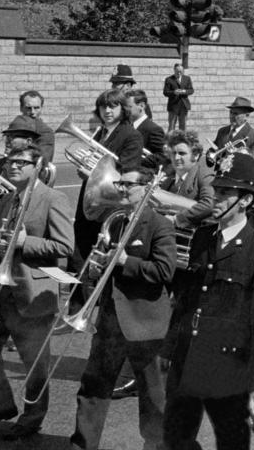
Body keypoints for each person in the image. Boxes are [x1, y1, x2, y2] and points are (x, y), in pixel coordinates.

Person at [162, 153, 254, 450]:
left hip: (230, 367)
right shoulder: (202, 237)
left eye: (225, 193)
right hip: (188, 357)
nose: (216, 198)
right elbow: (186, 299)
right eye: (216, 191)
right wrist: (170, 349)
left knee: (231, 443)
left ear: (245, 200)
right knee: (176, 440)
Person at [0, 145, 72, 439]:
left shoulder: (54, 198)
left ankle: (31, 420)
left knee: (34, 365)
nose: (12, 166)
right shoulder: (10, 197)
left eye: (21, 162)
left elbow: (65, 247)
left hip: (32, 291)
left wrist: (24, 243)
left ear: (38, 166)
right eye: (10, 161)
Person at [70, 170, 176, 450]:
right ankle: (82, 445)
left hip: (145, 322)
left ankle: (157, 445)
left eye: (129, 184)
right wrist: (97, 267)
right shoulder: (114, 222)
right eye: (120, 183)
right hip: (110, 320)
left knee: (153, 395)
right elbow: (107, 267)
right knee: (93, 386)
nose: (122, 189)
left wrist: (126, 261)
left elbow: (164, 271)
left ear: (146, 188)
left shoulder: (160, 224)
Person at [76, 90, 145, 260]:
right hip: (89, 200)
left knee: (97, 255)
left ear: (123, 109)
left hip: (108, 205)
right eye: (103, 106)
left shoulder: (131, 135)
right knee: (80, 251)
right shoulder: (101, 133)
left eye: (113, 106)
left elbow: (127, 173)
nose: (107, 111)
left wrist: (93, 175)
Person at [162, 130, 216, 231]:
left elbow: (210, 203)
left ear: (195, 155)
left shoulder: (203, 171)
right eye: (173, 153)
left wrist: (177, 219)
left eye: (182, 153)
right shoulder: (167, 179)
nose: (176, 157)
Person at [126, 88, 167, 172]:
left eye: (129, 107)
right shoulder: (129, 126)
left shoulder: (154, 129)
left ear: (141, 106)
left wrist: (133, 160)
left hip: (142, 175)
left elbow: (162, 156)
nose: (126, 110)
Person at [16, 90, 56, 161]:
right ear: (21, 108)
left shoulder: (46, 132)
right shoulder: (16, 127)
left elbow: (41, 160)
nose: (32, 112)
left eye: (36, 108)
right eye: (28, 108)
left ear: (41, 108)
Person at [163, 64, 194, 132]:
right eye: (177, 71)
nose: (179, 73)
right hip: (173, 105)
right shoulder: (169, 79)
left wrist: (185, 91)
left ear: (183, 71)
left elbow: (191, 90)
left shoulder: (187, 78)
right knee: (172, 125)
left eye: (181, 71)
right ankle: (170, 141)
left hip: (184, 105)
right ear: (174, 70)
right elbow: (165, 92)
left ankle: (182, 141)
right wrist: (174, 92)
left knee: (183, 125)